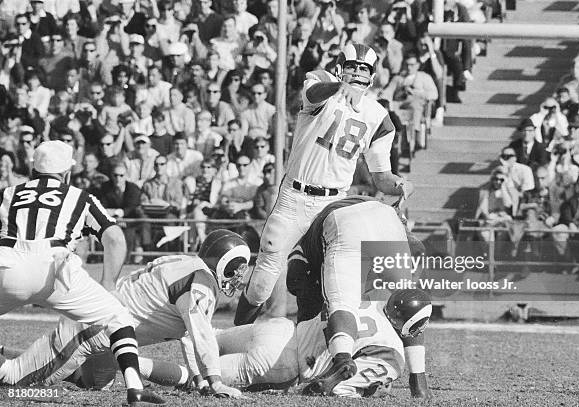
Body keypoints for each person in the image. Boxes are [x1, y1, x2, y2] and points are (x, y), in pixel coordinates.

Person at [234, 43, 414, 325]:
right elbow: (312, 93)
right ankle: (239, 334)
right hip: (295, 196)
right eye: (352, 66)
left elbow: (381, 177)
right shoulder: (323, 83)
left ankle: (320, 343)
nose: (357, 72)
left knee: (326, 278)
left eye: (363, 68)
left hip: (333, 205)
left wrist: (400, 184)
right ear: (340, 68)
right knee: (265, 273)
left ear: (373, 76)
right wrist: (337, 88)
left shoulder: (379, 117)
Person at [0, 141, 164, 406]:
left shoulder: (9, 192)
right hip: (55, 268)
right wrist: (108, 283)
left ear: (33, 168)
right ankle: (134, 387)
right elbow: (115, 238)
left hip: (6, 264)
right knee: (118, 317)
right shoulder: (79, 197)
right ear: (66, 173)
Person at [0, 230, 248, 399]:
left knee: (94, 383)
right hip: (95, 328)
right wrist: (214, 380)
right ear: (223, 262)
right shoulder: (201, 282)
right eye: (237, 268)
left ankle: (9, 353)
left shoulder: (187, 264)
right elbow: (202, 335)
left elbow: (189, 334)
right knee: (17, 384)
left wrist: (199, 377)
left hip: (109, 337)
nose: (239, 275)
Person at [135, 289, 431, 399]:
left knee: (205, 338)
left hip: (280, 329)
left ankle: (121, 343)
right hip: (283, 363)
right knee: (194, 378)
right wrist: (370, 393)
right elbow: (337, 387)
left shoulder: (364, 297)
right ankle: (131, 365)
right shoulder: (391, 353)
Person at [284, 196, 427, 396]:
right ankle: (419, 381)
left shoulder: (303, 251)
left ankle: (342, 360)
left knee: (342, 303)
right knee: (408, 303)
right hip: (386, 217)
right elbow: (418, 249)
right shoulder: (378, 207)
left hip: (344, 223)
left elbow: (301, 286)